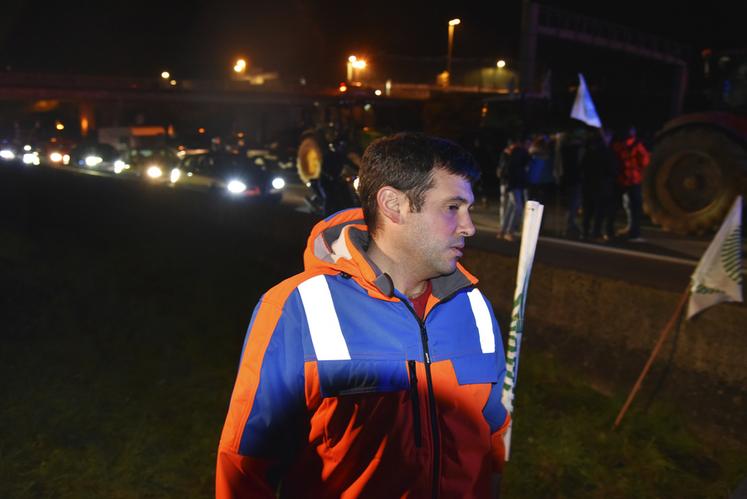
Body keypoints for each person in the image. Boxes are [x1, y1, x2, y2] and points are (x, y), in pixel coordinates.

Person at [216, 132, 511, 498]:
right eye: (452, 208)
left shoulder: (475, 306)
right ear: (393, 204)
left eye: (468, 208)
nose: (469, 227)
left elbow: (492, 439)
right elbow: (246, 464)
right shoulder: (298, 307)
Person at [580, 129, 620, 241]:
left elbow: (583, 167)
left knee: (588, 210)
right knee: (599, 211)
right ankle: (595, 232)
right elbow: (613, 170)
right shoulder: (607, 152)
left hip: (588, 185)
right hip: (602, 186)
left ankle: (585, 232)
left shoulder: (589, 151)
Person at [613, 126, 650, 241]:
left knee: (622, 205)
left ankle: (610, 230)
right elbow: (645, 161)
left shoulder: (618, 146)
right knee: (635, 207)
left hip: (621, 179)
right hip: (634, 180)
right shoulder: (637, 146)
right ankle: (634, 233)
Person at [498, 136, 529, 241]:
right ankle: (509, 231)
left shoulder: (511, 152)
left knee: (511, 207)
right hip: (514, 184)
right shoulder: (518, 152)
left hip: (514, 184)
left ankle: (503, 231)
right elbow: (513, 169)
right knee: (518, 208)